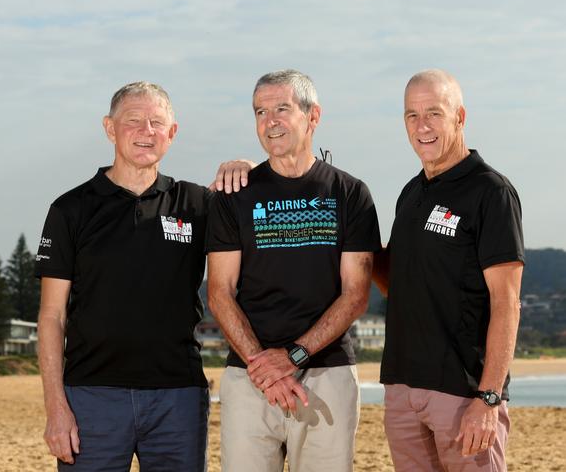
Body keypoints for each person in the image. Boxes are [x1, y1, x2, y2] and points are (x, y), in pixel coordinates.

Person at [35, 81, 251, 471]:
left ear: (173, 133)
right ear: (109, 128)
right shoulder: (71, 209)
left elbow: (253, 205)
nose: (145, 131)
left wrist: (249, 167)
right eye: (133, 120)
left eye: (156, 122)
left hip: (177, 396)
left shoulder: (198, 204)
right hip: (91, 396)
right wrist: (56, 407)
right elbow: (52, 316)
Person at [206, 69, 381, 472]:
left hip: (327, 372)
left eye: (282, 109)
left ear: (313, 116)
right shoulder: (235, 194)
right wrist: (262, 365)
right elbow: (220, 291)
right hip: (250, 376)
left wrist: (295, 356)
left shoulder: (350, 193)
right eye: (260, 112)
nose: (270, 121)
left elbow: (355, 294)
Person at [373, 69, 524, 471]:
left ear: (460, 116)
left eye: (434, 113)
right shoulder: (410, 193)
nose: (422, 126)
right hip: (402, 389)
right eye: (411, 115)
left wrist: (488, 397)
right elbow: (401, 284)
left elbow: (507, 304)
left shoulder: (491, 192)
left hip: (462, 393)